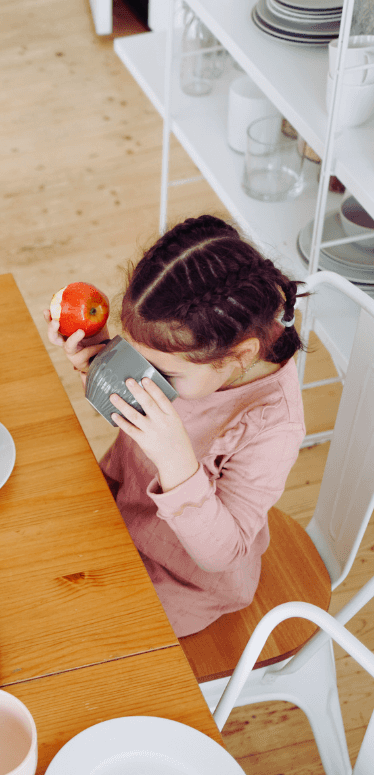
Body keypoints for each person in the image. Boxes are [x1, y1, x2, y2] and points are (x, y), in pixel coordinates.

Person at [45, 215, 306, 637]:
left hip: (184, 580)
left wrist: (176, 460)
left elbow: (223, 554)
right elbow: (140, 395)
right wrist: (99, 364)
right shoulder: (192, 362)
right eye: (135, 354)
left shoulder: (273, 425)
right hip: (119, 511)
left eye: (161, 374)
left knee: (73, 630)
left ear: (239, 357)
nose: (144, 377)